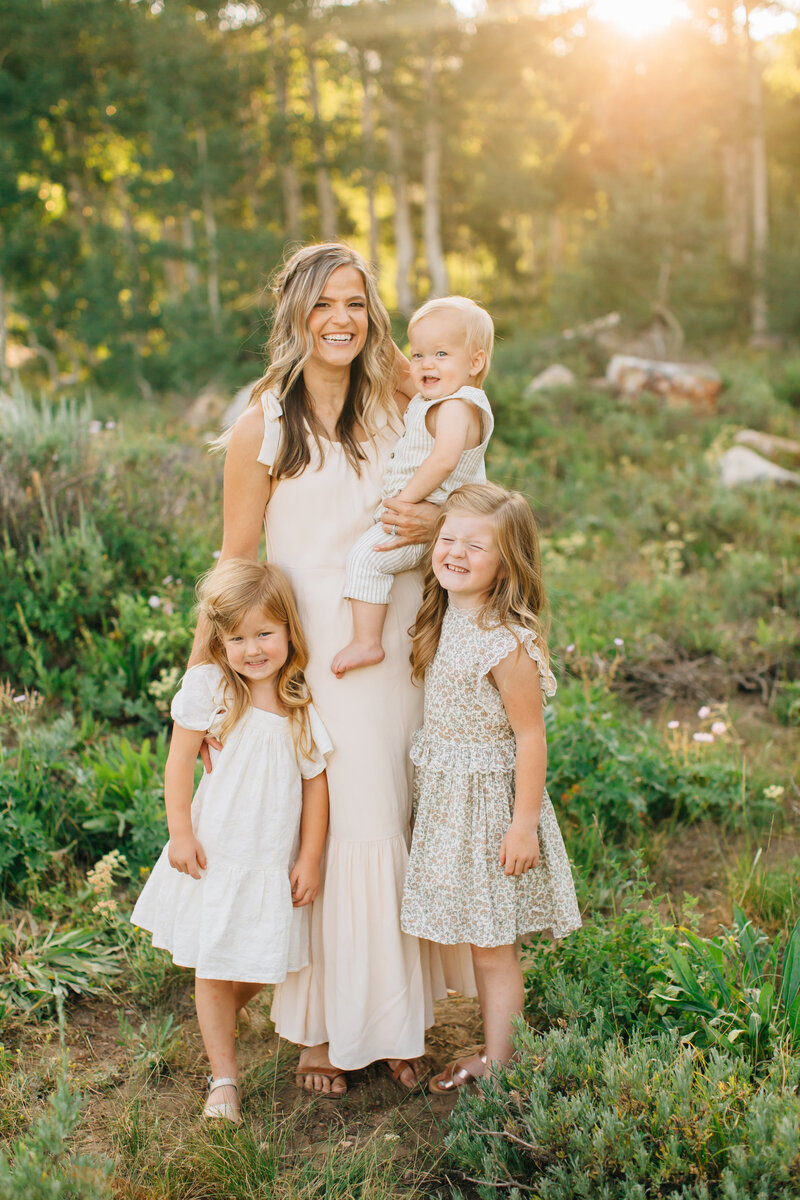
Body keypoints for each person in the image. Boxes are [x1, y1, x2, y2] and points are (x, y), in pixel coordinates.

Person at [199, 243, 475, 1098]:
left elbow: (458, 492)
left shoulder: (401, 396)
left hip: (394, 642)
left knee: (390, 815)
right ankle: (325, 1029)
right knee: (339, 827)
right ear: (295, 313)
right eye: (324, 304)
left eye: (355, 302)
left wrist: (435, 523)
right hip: (311, 655)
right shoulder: (263, 428)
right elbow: (233, 567)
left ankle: (394, 1022)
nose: (342, 319)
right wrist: (213, 689)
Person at [131, 559, 331, 1124]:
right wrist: (180, 832)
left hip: (272, 859)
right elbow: (177, 763)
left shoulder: (299, 700)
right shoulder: (213, 688)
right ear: (220, 641)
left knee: (263, 964)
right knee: (214, 964)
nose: (252, 649)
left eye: (264, 633)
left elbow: (316, 786)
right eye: (237, 638)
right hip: (217, 853)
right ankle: (224, 1077)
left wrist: (310, 857)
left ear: (288, 630)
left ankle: (217, 1013)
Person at [400, 483, 582, 1093]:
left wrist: (523, 823)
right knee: (480, 939)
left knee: (491, 943)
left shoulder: (507, 642)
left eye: (475, 546)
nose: (454, 553)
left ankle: (502, 1062)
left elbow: (530, 737)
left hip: (488, 807)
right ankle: (496, 1049)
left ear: (508, 562)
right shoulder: (444, 608)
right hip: (449, 800)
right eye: (447, 538)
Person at [331, 296, 494, 678]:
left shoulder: (458, 405)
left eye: (441, 353)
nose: (426, 364)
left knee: (367, 559)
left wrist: (404, 500)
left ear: (475, 362)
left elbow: (444, 459)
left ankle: (367, 641)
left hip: (422, 517)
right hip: (430, 519)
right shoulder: (430, 400)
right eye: (418, 355)